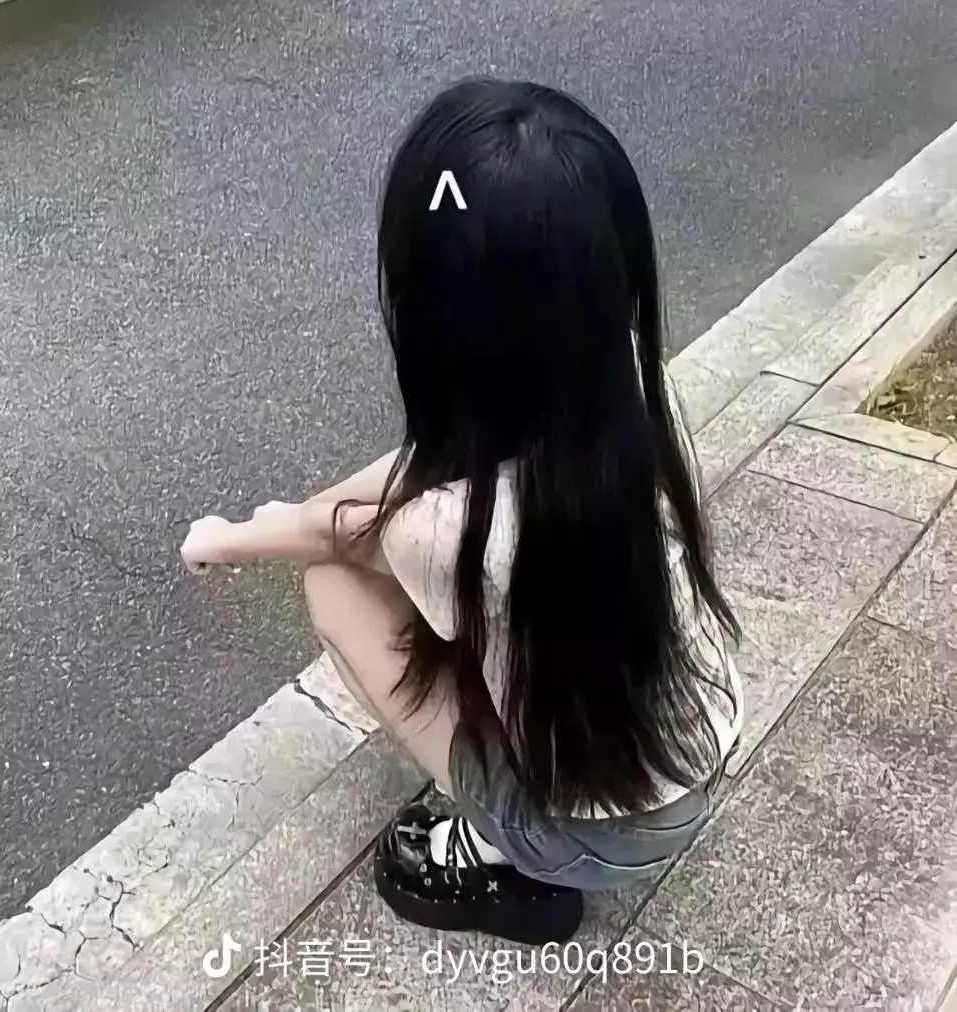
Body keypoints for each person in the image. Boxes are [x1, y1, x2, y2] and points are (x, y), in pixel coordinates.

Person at [180, 77, 744, 947]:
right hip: (699, 747)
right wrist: (277, 519)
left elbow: (351, 531)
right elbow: (410, 478)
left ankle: (496, 854)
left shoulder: (446, 528)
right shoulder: (633, 396)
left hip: (600, 834)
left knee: (334, 586)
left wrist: (228, 540)